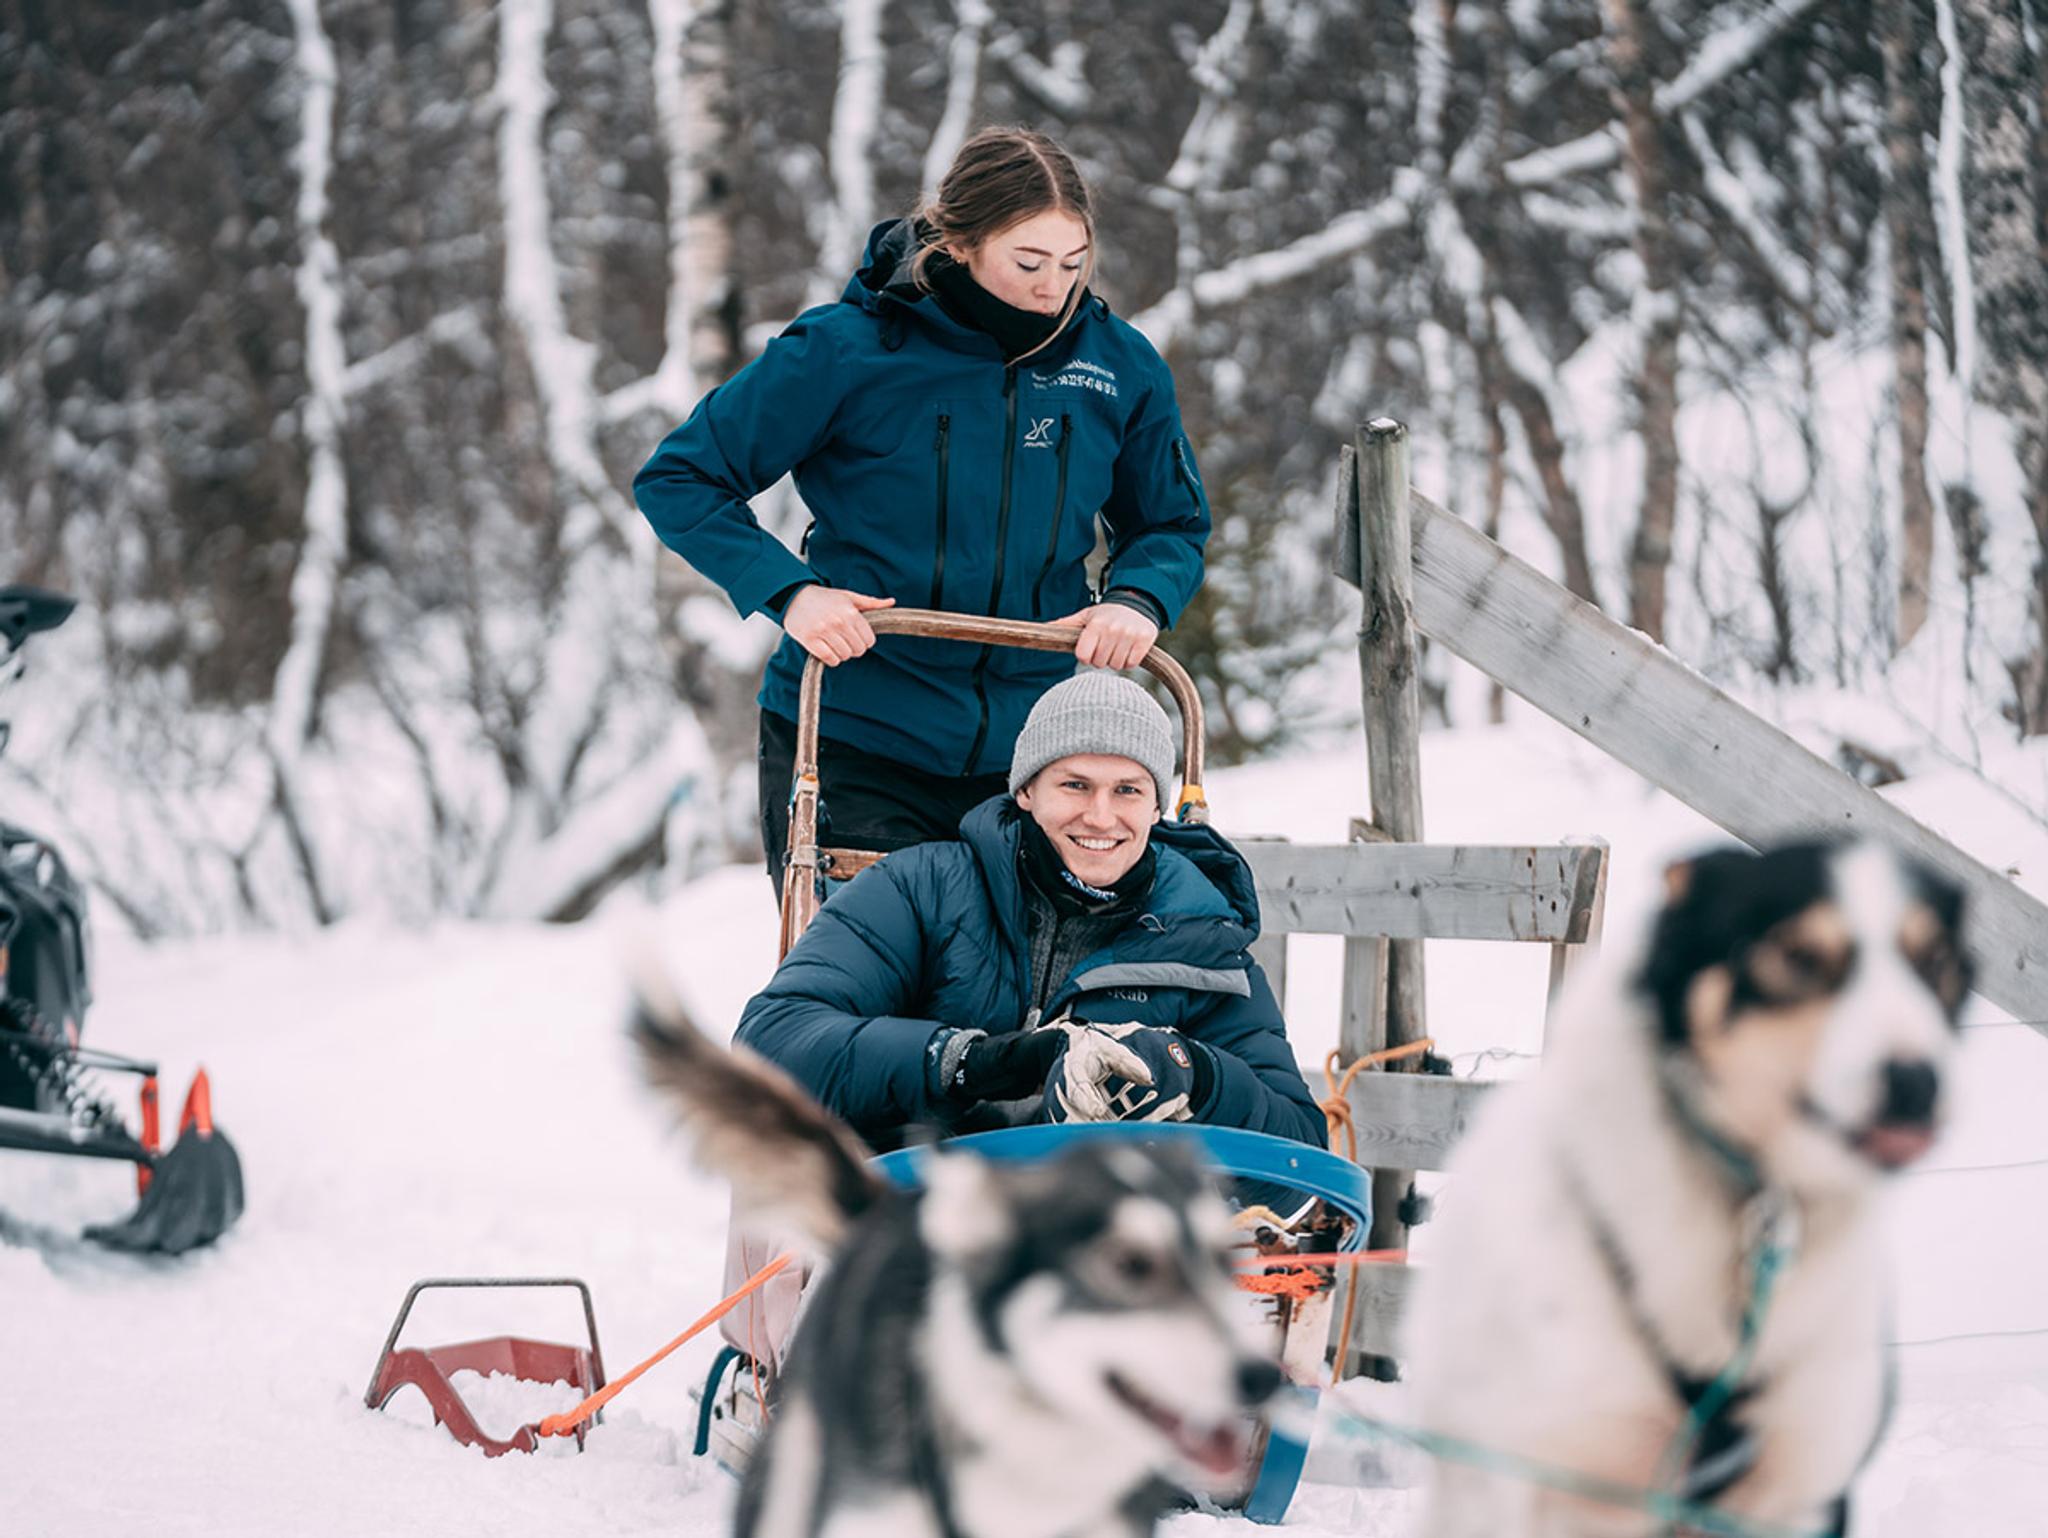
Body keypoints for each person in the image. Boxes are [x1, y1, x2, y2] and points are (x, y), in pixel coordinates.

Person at [632, 127, 1211, 891]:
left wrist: (1138, 598)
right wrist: (792, 593)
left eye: (1073, 265)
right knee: (869, 986)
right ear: (961, 243)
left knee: (1017, 995)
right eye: (1029, 263)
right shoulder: (847, 351)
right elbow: (681, 477)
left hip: (1037, 748)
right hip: (859, 735)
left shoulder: (1118, 367)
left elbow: (1170, 522)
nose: (1053, 288)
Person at [733, 672, 1325, 1156]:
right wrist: (967, 1062)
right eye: (1074, 784)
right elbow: (770, 1044)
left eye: (1128, 790)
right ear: (1025, 791)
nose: (1100, 816)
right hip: (915, 1214)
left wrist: (1196, 1074)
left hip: (1099, 1243)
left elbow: (1300, 1141)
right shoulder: (922, 888)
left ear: (1155, 807)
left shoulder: (1201, 936)